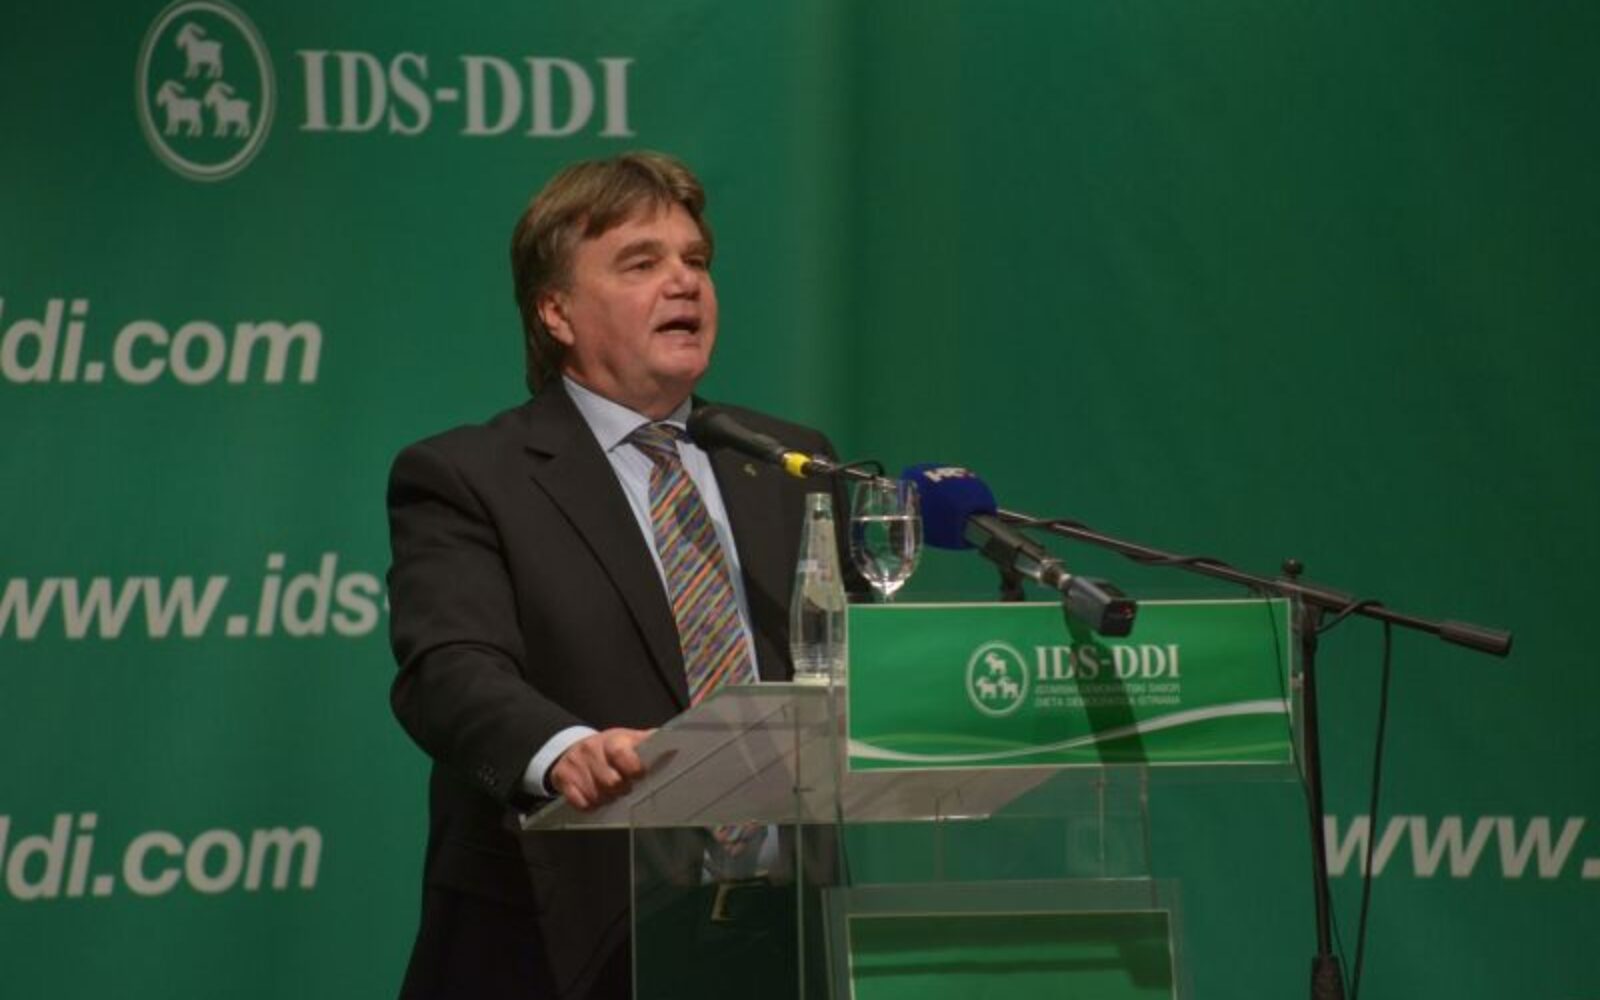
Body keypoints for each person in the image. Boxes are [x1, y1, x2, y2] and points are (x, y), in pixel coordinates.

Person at [386, 151, 850, 1000]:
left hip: (782, 938)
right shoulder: (469, 478)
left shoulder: (790, 463)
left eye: (696, 260)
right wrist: (562, 750)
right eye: (641, 263)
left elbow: (849, 669)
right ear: (556, 311)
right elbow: (447, 669)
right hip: (567, 943)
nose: (684, 282)